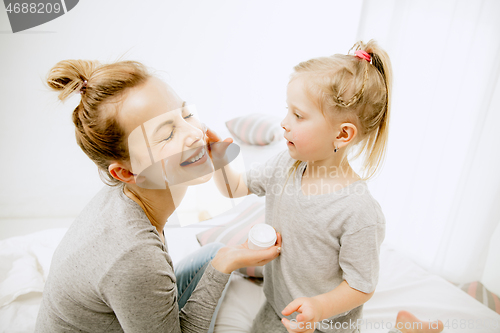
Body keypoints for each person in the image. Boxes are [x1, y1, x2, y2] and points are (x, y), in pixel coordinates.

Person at [206, 40, 443, 333]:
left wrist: (319, 309)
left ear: (342, 134)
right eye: (287, 111)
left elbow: (361, 285)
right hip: (276, 308)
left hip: (324, 325)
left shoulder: (359, 212)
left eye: (298, 115)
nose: (284, 122)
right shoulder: (285, 166)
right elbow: (236, 187)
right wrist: (219, 161)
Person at [35, 59, 282, 333]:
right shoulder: (134, 256)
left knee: (216, 251)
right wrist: (223, 267)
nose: (194, 134)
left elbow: (229, 188)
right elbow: (140, 266)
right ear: (126, 173)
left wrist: (218, 160)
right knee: (220, 258)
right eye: (167, 135)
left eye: (186, 115)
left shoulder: (131, 196)